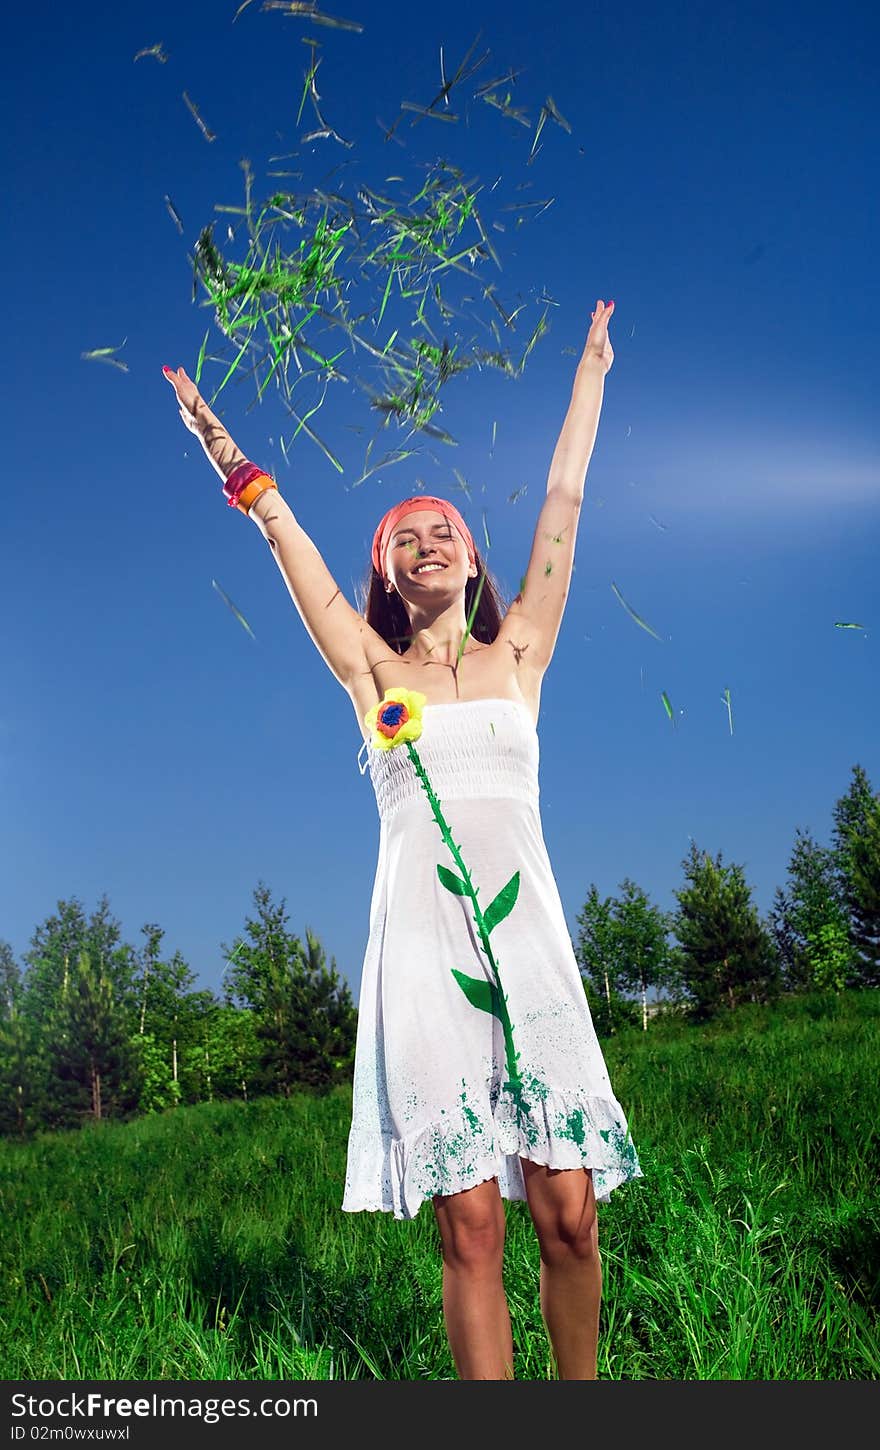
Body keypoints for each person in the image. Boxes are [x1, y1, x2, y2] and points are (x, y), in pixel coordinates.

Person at [162, 297, 642, 1381]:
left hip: (527, 953)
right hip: (425, 958)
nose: (427, 540)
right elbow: (282, 534)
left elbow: (563, 497)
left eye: (444, 529)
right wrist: (217, 442)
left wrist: (592, 374)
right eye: (402, 537)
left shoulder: (520, 651)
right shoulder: (373, 674)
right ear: (385, 572)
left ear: (472, 561)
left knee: (568, 1215)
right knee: (470, 1226)